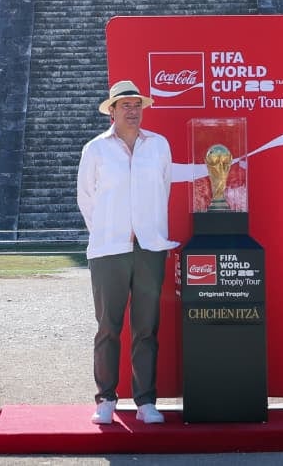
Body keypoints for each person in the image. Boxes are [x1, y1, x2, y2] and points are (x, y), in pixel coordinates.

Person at [77, 79, 178, 425]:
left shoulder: (159, 146)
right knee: (108, 326)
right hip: (109, 250)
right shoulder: (95, 150)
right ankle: (105, 397)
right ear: (112, 112)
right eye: (125, 106)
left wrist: (146, 230)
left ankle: (146, 400)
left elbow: (163, 189)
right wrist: (108, 232)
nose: (132, 111)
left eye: (137, 106)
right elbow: (86, 198)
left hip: (150, 248)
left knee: (146, 326)